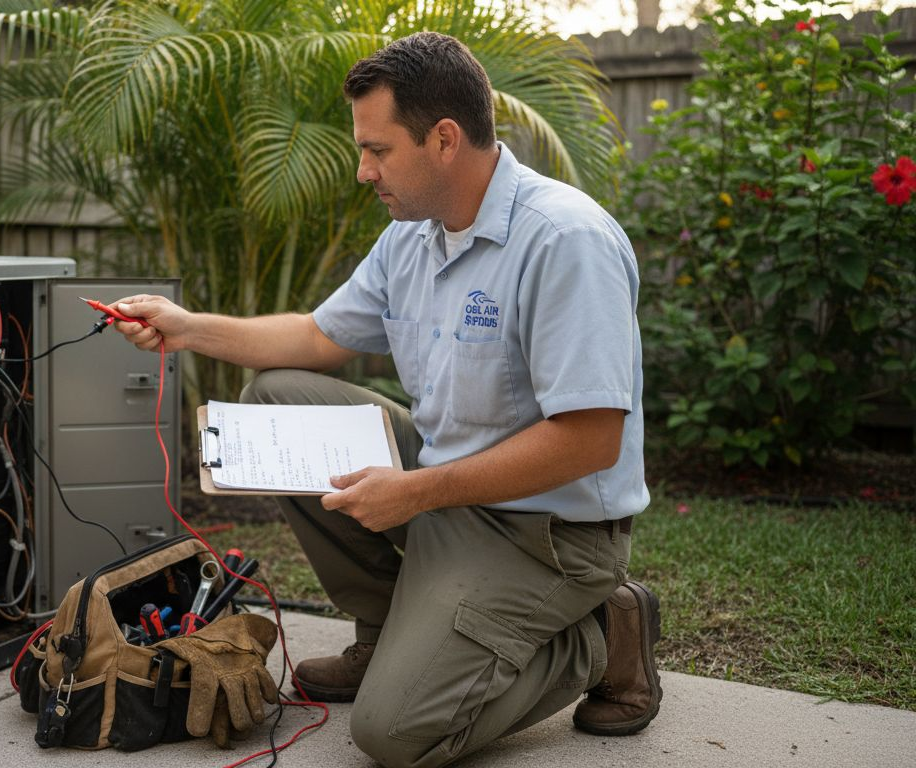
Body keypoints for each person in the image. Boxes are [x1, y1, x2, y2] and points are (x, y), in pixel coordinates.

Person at [110, 31, 660, 768]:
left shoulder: (565, 241)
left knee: (395, 735)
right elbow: (314, 338)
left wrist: (417, 492)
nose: (363, 172)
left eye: (377, 150)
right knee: (276, 398)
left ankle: (601, 635)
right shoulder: (414, 234)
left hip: (549, 532)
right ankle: (388, 631)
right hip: (445, 486)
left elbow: (591, 442)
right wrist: (185, 330)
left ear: (443, 139)